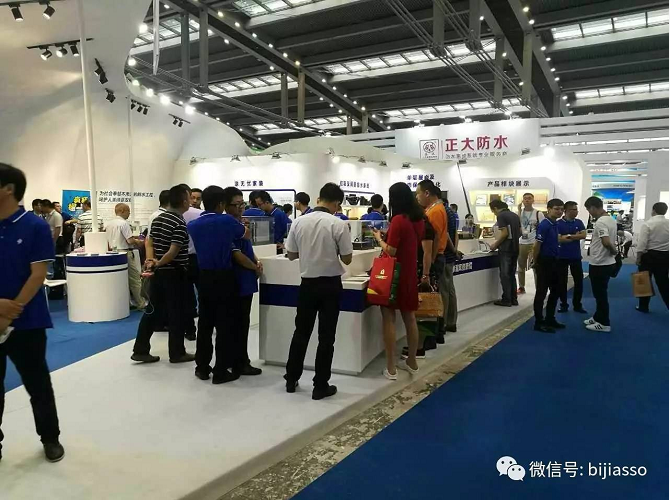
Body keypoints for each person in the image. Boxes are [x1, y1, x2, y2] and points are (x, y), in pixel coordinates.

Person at [0, 163, 64, 462]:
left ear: (8, 189)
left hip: (28, 322)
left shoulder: (34, 226)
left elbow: (38, 275)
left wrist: (7, 313)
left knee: (37, 384)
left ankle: (50, 438)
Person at [284, 183, 353, 401]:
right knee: (326, 337)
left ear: (318, 198)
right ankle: (320, 385)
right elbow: (347, 259)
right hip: (331, 286)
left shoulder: (298, 222)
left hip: (307, 285)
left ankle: (291, 379)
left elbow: (291, 254)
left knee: (301, 332)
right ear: (337, 203)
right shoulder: (338, 224)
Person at [187, 186, 247, 383]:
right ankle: (221, 369)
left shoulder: (193, 225)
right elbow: (244, 234)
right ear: (222, 203)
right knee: (224, 324)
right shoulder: (227, 221)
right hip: (224, 276)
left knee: (205, 323)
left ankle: (202, 367)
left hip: (204, 276)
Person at [131, 185, 195, 363]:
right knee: (177, 313)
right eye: (189, 198)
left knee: (152, 311)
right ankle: (177, 352)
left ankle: (140, 349)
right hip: (174, 273)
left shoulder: (159, 218)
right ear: (183, 201)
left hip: (159, 273)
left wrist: (152, 261)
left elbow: (149, 242)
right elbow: (173, 251)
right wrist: (159, 262)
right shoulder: (179, 222)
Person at [373, 183, 424, 380]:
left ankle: (391, 368)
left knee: (388, 317)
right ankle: (412, 361)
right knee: (410, 317)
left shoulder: (398, 220)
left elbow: (392, 250)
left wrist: (379, 239)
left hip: (394, 275)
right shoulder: (418, 219)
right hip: (410, 273)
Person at [224, 187, 264, 377]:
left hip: (246, 278)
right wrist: (254, 267)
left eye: (243, 204)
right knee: (237, 323)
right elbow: (236, 255)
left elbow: (247, 249)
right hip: (237, 279)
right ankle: (239, 362)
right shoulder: (228, 226)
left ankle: (239, 359)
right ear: (225, 205)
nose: (241, 208)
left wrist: (256, 260)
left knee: (242, 321)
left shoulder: (241, 224)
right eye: (237, 204)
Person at [416, 180, 454, 341]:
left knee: (431, 299)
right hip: (436, 256)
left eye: (418, 193)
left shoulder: (435, 211)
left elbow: (436, 238)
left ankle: (432, 336)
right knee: (436, 296)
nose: (417, 197)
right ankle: (435, 334)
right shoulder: (436, 209)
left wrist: (429, 263)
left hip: (435, 257)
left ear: (427, 193)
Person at [583, 196, 618, 332]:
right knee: (600, 293)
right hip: (605, 262)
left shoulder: (601, 222)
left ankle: (604, 323)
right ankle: (598, 316)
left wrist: (614, 251)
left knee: (600, 295)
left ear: (592, 207)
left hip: (600, 263)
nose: (589, 213)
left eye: (588, 210)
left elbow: (606, 241)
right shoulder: (611, 219)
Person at [531, 199, 566, 333]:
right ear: (549, 209)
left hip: (554, 261)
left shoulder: (555, 223)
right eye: (556, 209)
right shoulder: (544, 225)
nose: (559, 211)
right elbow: (537, 245)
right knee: (541, 292)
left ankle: (550, 318)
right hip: (544, 261)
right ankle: (539, 322)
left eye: (561, 209)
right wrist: (535, 261)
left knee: (556, 290)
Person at [105, 203, 146, 310]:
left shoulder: (109, 224)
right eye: (128, 211)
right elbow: (130, 241)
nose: (129, 214)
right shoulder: (124, 223)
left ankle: (126, 303)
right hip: (125, 253)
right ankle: (141, 303)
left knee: (121, 281)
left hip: (113, 253)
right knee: (135, 279)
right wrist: (139, 242)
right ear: (122, 210)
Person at [179, 184, 203, 342]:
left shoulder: (199, 215)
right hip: (189, 258)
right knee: (195, 295)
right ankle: (194, 329)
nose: (194, 201)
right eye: (192, 198)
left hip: (192, 258)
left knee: (189, 296)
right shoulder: (199, 215)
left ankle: (191, 330)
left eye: (198, 198)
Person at [636, 202, 669, 312]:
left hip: (648, 255)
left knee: (644, 281)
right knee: (663, 282)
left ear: (653, 210)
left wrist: (638, 257)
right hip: (665, 255)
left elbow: (642, 243)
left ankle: (643, 306)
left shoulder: (648, 224)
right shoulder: (668, 223)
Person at [488, 199, 522, 307]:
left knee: (505, 274)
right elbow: (520, 232)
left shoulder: (501, 216)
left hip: (506, 249)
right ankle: (513, 299)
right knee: (512, 274)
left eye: (493, 211)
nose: (494, 213)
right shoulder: (515, 215)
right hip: (515, 247)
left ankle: (506, 299)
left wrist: (495, 244)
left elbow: (504, 233)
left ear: (495, 208)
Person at [557, 201, 587, 314]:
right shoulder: (559, 223)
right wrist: (575, 236)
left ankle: (577, 305)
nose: (576, 212)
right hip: (561, 256)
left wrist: (568, 236)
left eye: (576, 209)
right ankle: (563, 304)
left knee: (579, 281)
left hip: (575, 256)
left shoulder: (579, 222)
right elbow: (559, 239)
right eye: (573, 210)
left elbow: (583, 235)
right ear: (566, 211)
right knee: (561, 282)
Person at [517, 193, 545, 294]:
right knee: (521, 267)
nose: (527, 200)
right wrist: (519, 211)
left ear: (533, 200)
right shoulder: (519, 213)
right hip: (522, 242)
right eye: (525, 199)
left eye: (529, 198)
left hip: (534, 242)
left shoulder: (538, 213)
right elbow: (517, 225)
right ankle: (521, 287)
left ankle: (539, 289)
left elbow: (543, 227)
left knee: (535, 266)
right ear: (522, 200)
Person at [441, 198, 460, 334]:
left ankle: (443, 323)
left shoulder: (441, 212)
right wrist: (455, 249)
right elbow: (455, 233)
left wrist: (453, 249)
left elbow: (446, 234)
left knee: (444, 290)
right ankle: (451, 321)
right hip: (450, 255)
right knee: (450, 288)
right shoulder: (451, 212)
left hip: (445, 255)